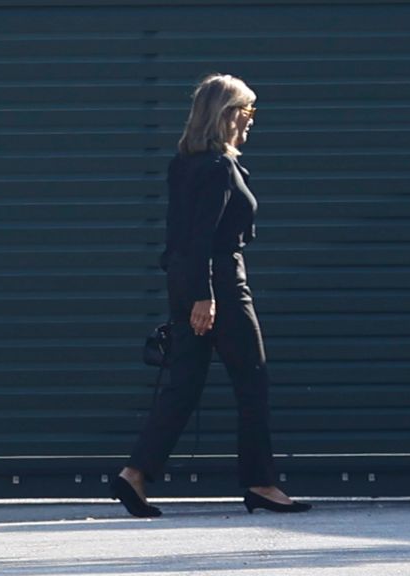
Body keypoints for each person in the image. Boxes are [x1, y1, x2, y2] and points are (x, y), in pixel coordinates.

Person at [110, 74, 310, 518]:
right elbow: (201, 236)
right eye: (247, 111)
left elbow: (177, 236)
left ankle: (135, 474)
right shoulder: (219, 168)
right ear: (227, 115)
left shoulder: (184, 163)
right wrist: (207, 296)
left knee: (183, 385)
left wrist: (189, 292)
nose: (251, 120)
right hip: (220, 284)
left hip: (187, 282)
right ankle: (261, 483)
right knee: (252, 382)